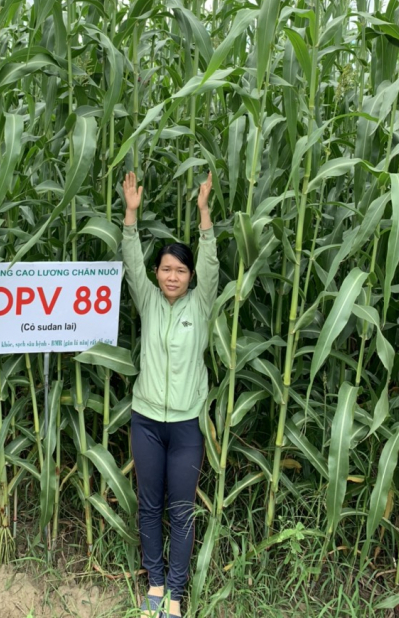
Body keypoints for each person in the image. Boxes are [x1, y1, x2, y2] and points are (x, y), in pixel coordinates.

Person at [121, 171, 219, 618]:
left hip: (185, 425)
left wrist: (204, 213)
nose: (172, 276)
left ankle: (176, 597)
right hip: (145, 421)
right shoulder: (148, 299)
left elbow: (211, 263)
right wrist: (130, 213)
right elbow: (129, 260)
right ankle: (155, 587)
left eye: (180, 270)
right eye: (166, 268)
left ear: (190, 275)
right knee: (149, 506)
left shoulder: (200, 303)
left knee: (180, 510)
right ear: (157, 273)